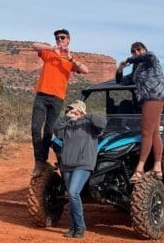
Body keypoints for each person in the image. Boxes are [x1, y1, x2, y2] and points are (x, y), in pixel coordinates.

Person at [31, 29, 89, 177]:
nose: (59, 40)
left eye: (62, 38)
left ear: (68, 40)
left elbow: (85, 70)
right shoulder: (48, 53)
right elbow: (34, 45)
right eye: (57, 38)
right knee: (36, 127)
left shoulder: (70, 59)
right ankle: (40, 161)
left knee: (50, 132)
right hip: (42, 95)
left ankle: (62, 160)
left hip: (57, 98)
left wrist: (70, 58)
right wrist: (52, 48)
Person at [115, 42, 164, 182]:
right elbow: (120, 81)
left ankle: (139, 168)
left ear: (144, 49)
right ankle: (157, 167)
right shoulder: (136, 71)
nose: (136, 53)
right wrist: (120, 69)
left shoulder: (151, 60)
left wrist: (129, 59)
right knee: (154, 132)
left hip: (155, 96)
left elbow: (148, 56)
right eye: (133, 51)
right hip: (147, 99)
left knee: (145, 131)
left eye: (138, 49)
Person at [53, 100, 106, 238]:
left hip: (83, 164)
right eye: (70, 109)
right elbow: (56, 130)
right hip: (67, 164)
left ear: (82, 110)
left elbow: (102, 123)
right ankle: (73, 227)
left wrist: (85, 115)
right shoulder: (67, 124)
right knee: (71, 196)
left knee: (73, 192)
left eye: (74, 109)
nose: (72, 111)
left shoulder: (90, 124)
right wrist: (66, 117)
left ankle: (80, 226)